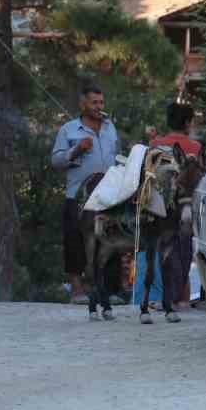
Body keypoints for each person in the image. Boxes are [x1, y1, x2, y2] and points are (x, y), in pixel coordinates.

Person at [51, 83, 119, 303]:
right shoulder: (68, 130)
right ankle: (78, 290)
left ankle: (108, 291)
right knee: (75, 239)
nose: (99, 106)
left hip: (108, 195)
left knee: (110, 239)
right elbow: (56, 160)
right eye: (94, 102)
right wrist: (77, 149)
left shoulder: (110, 128)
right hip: (78, 195)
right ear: (83, 104)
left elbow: (116, 155)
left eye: (101, 102)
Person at [148, 101, 203, 309]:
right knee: (184, 250)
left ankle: (171, 298)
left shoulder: (156, 145)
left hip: (161, 209)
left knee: (166, 251)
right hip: (188, 206)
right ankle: (180, 299)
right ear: (188, 123)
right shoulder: (196, 148)